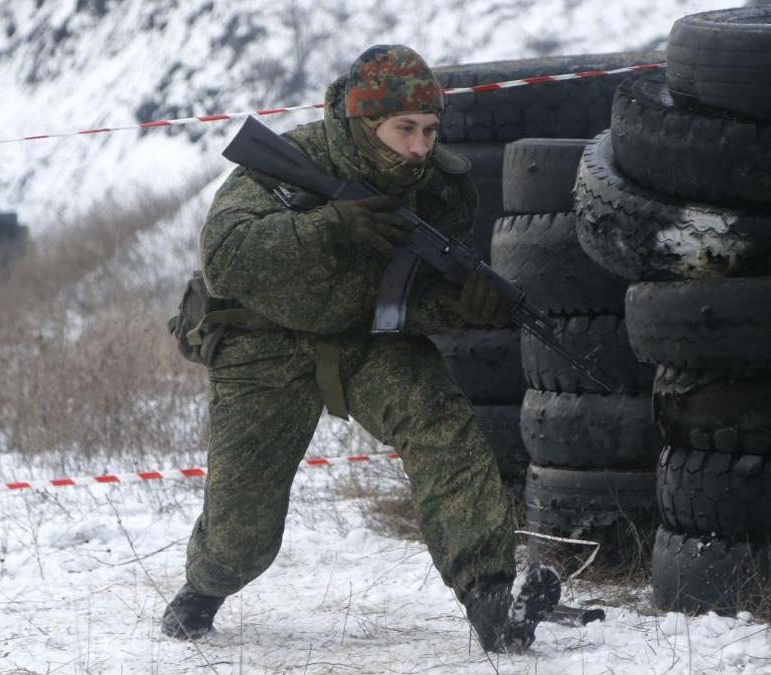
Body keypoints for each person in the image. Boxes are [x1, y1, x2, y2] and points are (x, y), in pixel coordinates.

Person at [161, 44, 560, 653]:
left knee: (441, 425)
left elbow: (410, 299)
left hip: (364, 339)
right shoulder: (291, 160)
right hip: (262, 341)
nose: (421, 147)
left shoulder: (442, 190)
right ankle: (200, 592)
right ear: (361, 121)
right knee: (242, 535)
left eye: (430, 129)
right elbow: (224, 259)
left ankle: (491, 600)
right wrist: (329, 226)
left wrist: (461, 308)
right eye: (405, 129)